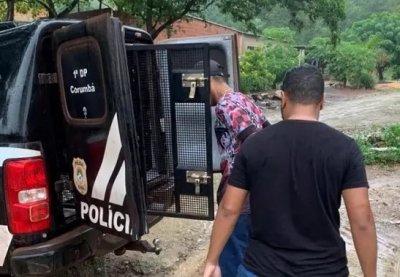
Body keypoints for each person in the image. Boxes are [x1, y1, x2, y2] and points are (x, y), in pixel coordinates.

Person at [203, 65, 377, 277]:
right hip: (325, 270)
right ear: (322, 101)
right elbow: (362, 222)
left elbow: (229, 210)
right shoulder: (345, 148)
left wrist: (212, 260)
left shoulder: (254, 146)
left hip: (261, 269)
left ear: (283, 98)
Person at [208, 59, 267, 276]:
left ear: (208, 81)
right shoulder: (244, 99)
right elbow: (268, 131)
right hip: (257, 193)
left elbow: (253, 139)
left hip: (239, 193)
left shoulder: (225, 105)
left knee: (231, 258)